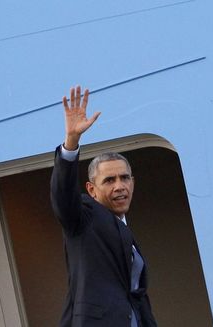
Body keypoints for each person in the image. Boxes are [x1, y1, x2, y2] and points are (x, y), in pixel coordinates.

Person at [50, 86, 158, 327]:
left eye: (124, 178)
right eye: (109, 180)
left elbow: (135, 296)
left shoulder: (124, 229)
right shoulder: (85, 217)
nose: (119, 186)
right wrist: (71, 143)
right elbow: (63, 197)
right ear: (91, 190)